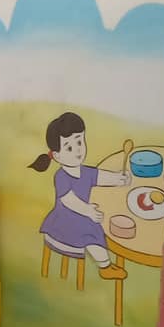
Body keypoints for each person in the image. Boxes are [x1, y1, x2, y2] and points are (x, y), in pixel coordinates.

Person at [28, 112, 131, 280]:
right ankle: (105, 267)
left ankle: (105, 263)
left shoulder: (85, 172)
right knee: (92, 236)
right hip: (64, 223)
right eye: (69, 147)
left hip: (82, 216)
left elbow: (100, 176)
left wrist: (118, 178)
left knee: (97, 228)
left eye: (79, 142)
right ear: (57, 155)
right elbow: (69, 200)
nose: (77, 150)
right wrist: (88, 211)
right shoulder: (61, 176)